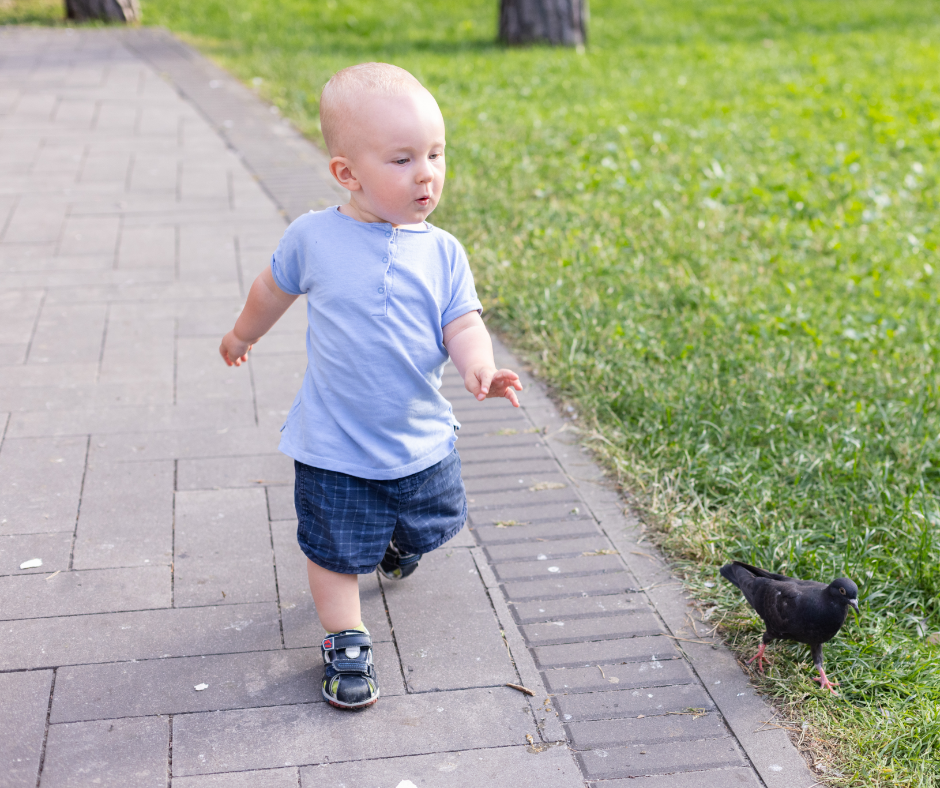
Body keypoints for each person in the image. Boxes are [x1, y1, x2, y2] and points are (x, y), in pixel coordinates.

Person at [219, 62, 522, 710]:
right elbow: (271, 290)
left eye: (437, 154)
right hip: (333, 443)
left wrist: (477, 364)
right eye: (403, 158)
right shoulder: (314, 238)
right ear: (347, 174)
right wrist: (243, 335)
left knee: (435, 521)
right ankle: (345, 638)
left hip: (417, 438)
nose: (427, 173)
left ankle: (396, 543)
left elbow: (462, 320)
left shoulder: (442, 252)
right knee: (332, 550)